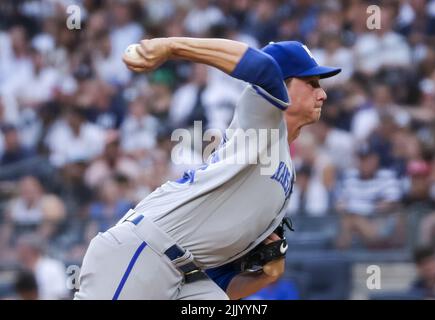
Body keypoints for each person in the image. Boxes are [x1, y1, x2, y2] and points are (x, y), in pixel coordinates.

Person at [74, 37, 340, 300]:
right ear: (283, 86)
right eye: (312, 83)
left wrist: (266, 276)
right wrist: (172, 47)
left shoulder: (286, 176)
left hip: (186, 275)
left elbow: (224, 285)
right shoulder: (262, 119)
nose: (322, 93)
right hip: (144, 250)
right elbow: (265, 67)